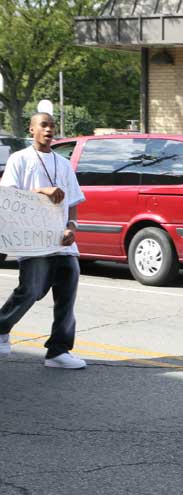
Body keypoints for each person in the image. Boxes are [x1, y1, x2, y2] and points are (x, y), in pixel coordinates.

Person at [0, 112, 86, 369]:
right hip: (32, 239)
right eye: (44, 125)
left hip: (60, 240)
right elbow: (9, 198)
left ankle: (58, 351)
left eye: (52, 126)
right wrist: (40, 191)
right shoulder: (20, 159)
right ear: (32, 129)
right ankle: (2, 328)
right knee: (31, 291)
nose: (49, 130)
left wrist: (72, 226)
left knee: (68, 288)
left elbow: (72, 201)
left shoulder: (63, 163)